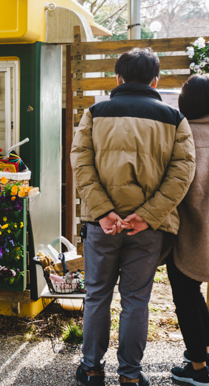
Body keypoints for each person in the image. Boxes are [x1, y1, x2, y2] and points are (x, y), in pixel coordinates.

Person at [71, 47, 196, 386]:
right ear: (155, 80)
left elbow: (81, 164)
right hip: (148, 229)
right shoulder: (174, 119)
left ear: (118, 78)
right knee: (137, 299)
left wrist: (103, 212)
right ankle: (130, 374)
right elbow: (182, 173)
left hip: (102, 226)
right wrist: (147, 215)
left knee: (97, 294)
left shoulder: (95, 113)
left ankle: (92, 368)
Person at [168, 74, 209, 385]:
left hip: (189, 235)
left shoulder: (183, 136)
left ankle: (198, 368)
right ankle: (204, 352)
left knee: (185, 293)